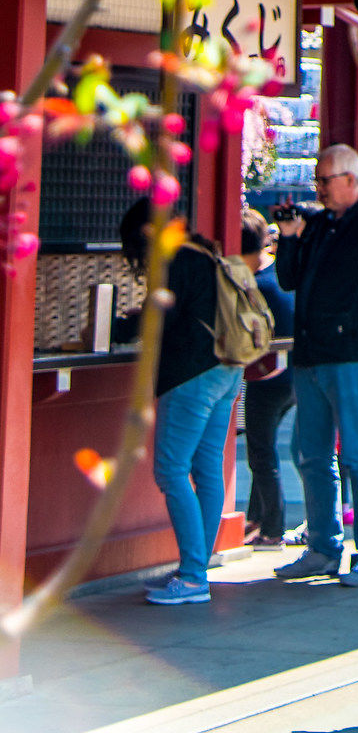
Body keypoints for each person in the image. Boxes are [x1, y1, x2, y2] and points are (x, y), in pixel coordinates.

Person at [272, 143, 358, 586]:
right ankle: (323, 546)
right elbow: (288, 280)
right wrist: (290, 239)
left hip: (353, 356)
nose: (318, 190)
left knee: (357, 454)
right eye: (316, 181)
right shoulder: (314, 227)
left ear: (351, 180)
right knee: (310, 454)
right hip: (311, 356)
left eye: (324, 181)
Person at [120, 199, 244, 607]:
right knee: (207, 468)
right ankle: (196, 571)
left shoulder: (174, 259)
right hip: (228, 369)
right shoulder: (206, 252)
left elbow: (158, 318)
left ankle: (192, 576)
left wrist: (116, 326)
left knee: (171, 471)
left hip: (191, 375)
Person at [239, 208, 296, 548]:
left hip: (267, 377)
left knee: (261, 453)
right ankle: (256, 519)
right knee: (264, 449)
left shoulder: (255, 286)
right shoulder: (279, 272)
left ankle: (272, 529)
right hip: (293, 374)